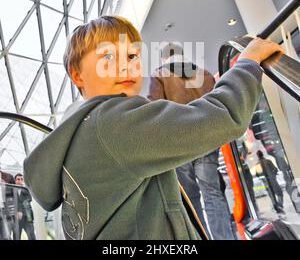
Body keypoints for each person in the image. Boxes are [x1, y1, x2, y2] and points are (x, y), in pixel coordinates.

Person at [23, 15, 284, 240]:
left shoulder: (78, 135)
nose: (126, 65)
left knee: (193, 194)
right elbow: (225, 116)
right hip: (195, 137)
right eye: (108, 56)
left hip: (176, 142)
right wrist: (248, 61)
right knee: (211, 192)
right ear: (77, 74)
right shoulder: (114, 121)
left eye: (132, 55)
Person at [148, 43, 235, 240]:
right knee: (212, 192)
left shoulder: (160, 75)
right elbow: (219, 103)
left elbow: (154, 108)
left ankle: (199, 237)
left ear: (163, 58)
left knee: (191, 197)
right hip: (206, 141)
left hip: (180, 146)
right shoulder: (203, 74)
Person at [256, 150, 285, 216]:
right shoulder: (268, 161)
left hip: (266, 182)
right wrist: (274, 174)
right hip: (272, 180)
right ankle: (280, 206)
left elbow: (258, 175)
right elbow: (275, 169)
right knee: (279, 193)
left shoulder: (257, 164)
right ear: (262, 154)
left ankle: (276, 208)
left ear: (257, 156)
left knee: (272, 196)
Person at [13, 174, 36, 240]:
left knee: (32, 237)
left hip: (27, 217)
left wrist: (20, 211)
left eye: (21, 179)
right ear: (15, 181)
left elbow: (27, 201)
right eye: (18, 179)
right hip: (16, 219)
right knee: (16, 238)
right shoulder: (12, 191)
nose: (20, 181)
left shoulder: (26, 190)